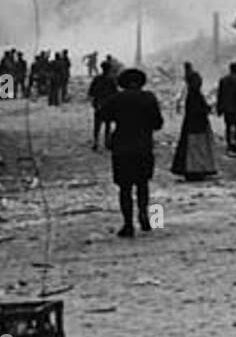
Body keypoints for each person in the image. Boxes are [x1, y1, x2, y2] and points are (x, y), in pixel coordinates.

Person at [97, 67, 164, 237]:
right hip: (143, 147)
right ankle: (146, 217)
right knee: (143, 184)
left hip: (122, 148)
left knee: (125, 188)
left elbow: (102, 114)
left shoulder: (117, 99)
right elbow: (158, 123)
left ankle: (128, 224)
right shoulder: (149, 98)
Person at [170, 70, 217, 181]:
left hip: (194, 124)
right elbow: (197, 110)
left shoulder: (193, 94)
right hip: (196, 125)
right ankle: (195, 169)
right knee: (196, 147)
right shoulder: (194, 95)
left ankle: (196, 168)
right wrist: (207, 109)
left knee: (196, 147)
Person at [88, 60, 119, 151]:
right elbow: (115, 93)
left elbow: (91, 92)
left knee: (97, 125)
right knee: (108, 124)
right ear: (109, 69)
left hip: (98, 104)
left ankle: (96, 142)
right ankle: (107, 142)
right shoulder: (111, 80)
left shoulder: (97, 79)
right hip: (108, 105)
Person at [216, 62, 236, 154]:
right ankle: (234, 143)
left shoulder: (223, 80)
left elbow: (220, 95)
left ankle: (229, 144)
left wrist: (219, 108)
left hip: (227, 108)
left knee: (228, 126)